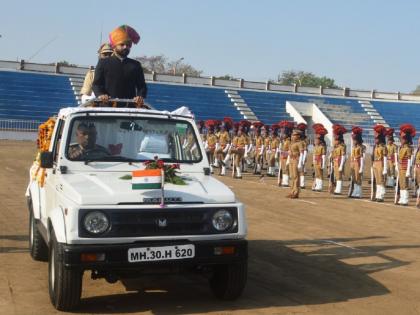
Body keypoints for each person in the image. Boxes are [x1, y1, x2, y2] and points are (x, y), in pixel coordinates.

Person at [92, 25, 148, 108]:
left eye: (128, 45)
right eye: (122, 44)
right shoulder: (103, 63)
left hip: (129, 108)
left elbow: (142, 86)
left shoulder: (135, 65)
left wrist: (140, 96)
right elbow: (96, 84)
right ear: (114, 46)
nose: (126, 47)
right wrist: (101, 95)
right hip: (107, 107)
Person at [397, 124, 415, 206]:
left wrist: (408, 170)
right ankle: (402, 198)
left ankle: (405, 199)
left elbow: (409, 160)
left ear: (406, 139)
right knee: (401, 184)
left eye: (403, 138)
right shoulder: (401, 147)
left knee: (405, 183)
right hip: (401, 167)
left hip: (405, 168)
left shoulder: (408, 148)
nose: (401, 140)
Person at [371, 124, 388, 202]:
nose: (375, 140)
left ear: (380, 138)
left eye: (377, 138)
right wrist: (373, 164)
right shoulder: (376, 146)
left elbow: (385, 157)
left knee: (381, 180)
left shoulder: (383, 147)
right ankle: (378, 195)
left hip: (381, 163)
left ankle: (381, 196)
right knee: (377, 180)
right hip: (376, 163)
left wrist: (385, 168)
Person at [287, 128, 305, 198]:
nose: (292, 136)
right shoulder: (292, 143)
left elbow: (302, 153)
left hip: (296, 160)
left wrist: (300, 163)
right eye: (292, 135)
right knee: (292, 176)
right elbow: (289, 152)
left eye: (294, 135)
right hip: (291, 159)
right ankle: (292, 191)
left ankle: (296, 191)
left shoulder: (299, 143)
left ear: (298, 136)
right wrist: (288, 160)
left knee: (296, 176)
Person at [330, 124, 347, 195]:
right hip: (335, 161)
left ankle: (339, 189)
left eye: (335, 140)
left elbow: (343, 156)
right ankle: (336, 188)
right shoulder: (336, 147)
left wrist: (341, 166)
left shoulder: (342, 146)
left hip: (339, 162)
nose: (334, 141)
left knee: (339, 176)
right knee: (336, 176)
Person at [349, 126, 364, 198]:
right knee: (354, 178)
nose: (353, 141)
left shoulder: (361, 147)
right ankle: (355, 191)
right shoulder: (354, 147)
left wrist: (361, 167)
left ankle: (359, 192)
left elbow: (362, 157)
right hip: (353, 163)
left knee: (358, 178)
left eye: (355, 140)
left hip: (358, 163)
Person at [311, 124, 327, 192]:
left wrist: (323, 164)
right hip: (316, 161)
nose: (315, 141)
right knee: (317, 173)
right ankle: (317, 184)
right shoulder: (316, 147)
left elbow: (323, 156)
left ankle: (319, 185)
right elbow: (314, 155)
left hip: (319, 161)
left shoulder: (322, 146)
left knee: (319, 174)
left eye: (316, 139)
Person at [296, 123, 308, 189]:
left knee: (302, 170)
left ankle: (302, 184)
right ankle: (298, 182)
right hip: (297, 156)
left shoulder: (304, 141)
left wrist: (303, 159)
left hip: (302, 155)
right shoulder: (299, 140)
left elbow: (305, 150)